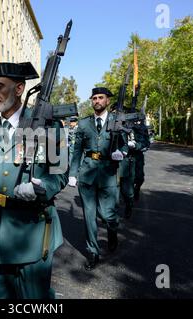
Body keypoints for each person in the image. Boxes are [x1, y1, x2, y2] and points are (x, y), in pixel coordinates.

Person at [0, 62, 68, 299]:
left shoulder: (46, 125)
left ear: (19, 89)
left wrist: (41, 189)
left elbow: (59, 173)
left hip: (30, 231)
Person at [68, 87, 128, 270]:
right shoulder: (84, 124)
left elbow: (125, 146)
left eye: (100, 98)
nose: (97, 101)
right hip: (87, 173)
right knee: (89, 215)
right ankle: (93, 251)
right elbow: (77, 150)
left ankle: (112, 231)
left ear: (107, 101)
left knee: (108, 215)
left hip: (108, 172)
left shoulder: (117, 121)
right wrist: (72, 173)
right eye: (94, 98)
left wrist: (121, 152)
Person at [133, 120, 150, 201]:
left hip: (139, 156)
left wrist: (144, 146)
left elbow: (147, 142)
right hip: (127, 156)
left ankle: (136, 189)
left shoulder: (143, 128)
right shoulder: (125, 125)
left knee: (140, 178)